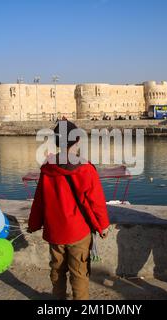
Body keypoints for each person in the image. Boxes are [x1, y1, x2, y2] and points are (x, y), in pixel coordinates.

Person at [28, 120, 110, 300]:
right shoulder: (86, 169)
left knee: (57, 270)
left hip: (55, 231)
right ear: (78, 140)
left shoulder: (47, 168)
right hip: (78, 232)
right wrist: (102, 226)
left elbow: (39, 201)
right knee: (79, 274)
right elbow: (96, 202)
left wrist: (33, 224)